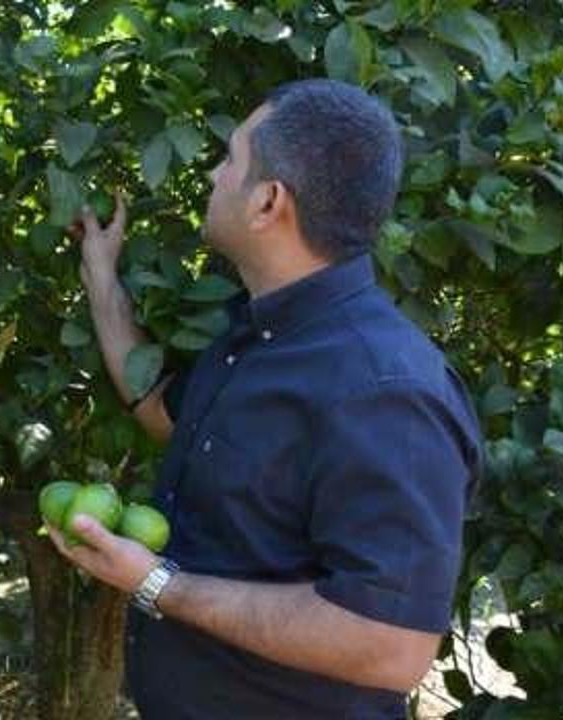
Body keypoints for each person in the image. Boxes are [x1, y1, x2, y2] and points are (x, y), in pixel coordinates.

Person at [48, 78, 483, 719]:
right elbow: (166, 414)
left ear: (268, 202)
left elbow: (390, 645)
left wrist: (156, 584)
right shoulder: (262, 332)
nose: (215, 176)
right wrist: (101, 276)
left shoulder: (386, 390)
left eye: (230, 160)